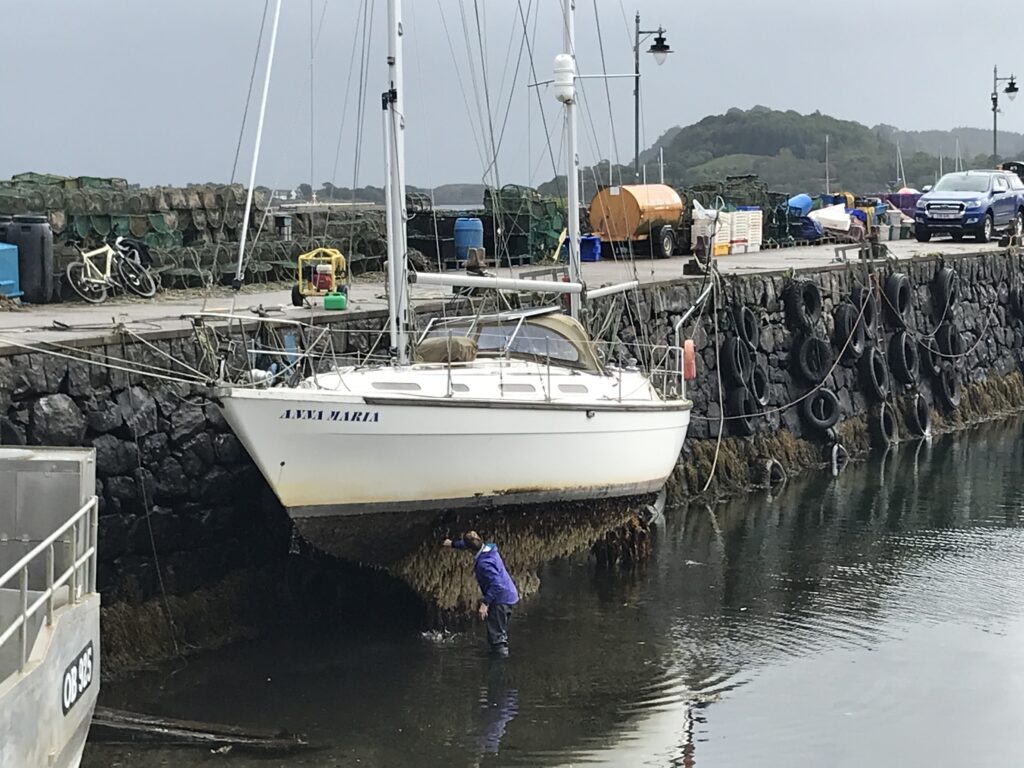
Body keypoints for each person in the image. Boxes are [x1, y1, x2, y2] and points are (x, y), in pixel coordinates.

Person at [443, 531, 519, 657]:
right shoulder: (490, 547)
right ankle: (497, 655)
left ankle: (499, 665)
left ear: (469, 549)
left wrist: (485, 603)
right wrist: (452, 544)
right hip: (509, 594)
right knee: (498, 630)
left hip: (500, 599)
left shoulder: (484, 564)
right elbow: (470, 544)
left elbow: (497, 584)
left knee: (497, 636)